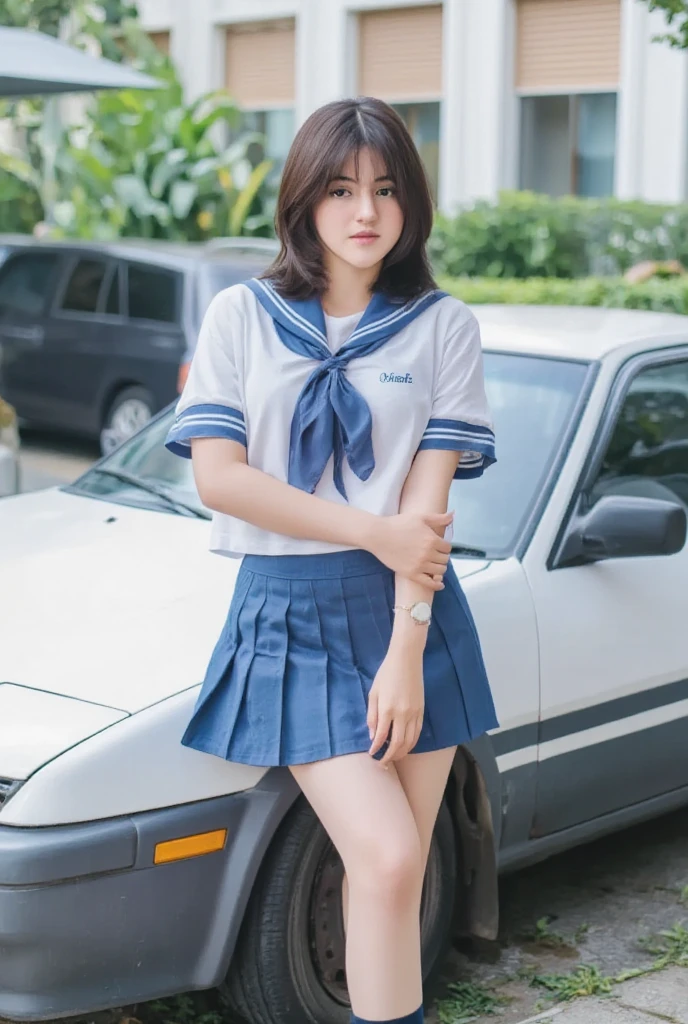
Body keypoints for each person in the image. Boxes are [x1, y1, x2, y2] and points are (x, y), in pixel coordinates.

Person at [164, 96, 498, 1024]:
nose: (366, 211)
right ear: (305, 198)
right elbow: (221, 481)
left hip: (411, 615)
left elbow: (425, 512)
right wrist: (370, 530)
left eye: (387, 189)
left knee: (392, 876)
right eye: (343, 188)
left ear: (411, 205)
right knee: (386, 854)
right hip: (291, 610)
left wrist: (404, 650)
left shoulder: (442, 326)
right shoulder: (242, 314)